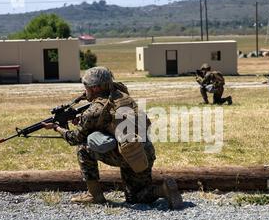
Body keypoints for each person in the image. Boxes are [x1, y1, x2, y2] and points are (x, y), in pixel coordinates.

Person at [42, 67, 183, 210]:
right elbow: (111, 123)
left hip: (126, 155)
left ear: (95, 88)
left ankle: (94, 195)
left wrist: (56, 127)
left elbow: (74, 138)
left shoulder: (94, 111)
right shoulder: (121, 95)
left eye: (86, 87)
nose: (85, 91)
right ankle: (164, 190)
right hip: (143, 152)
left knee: (83, 148)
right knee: (135, 197)